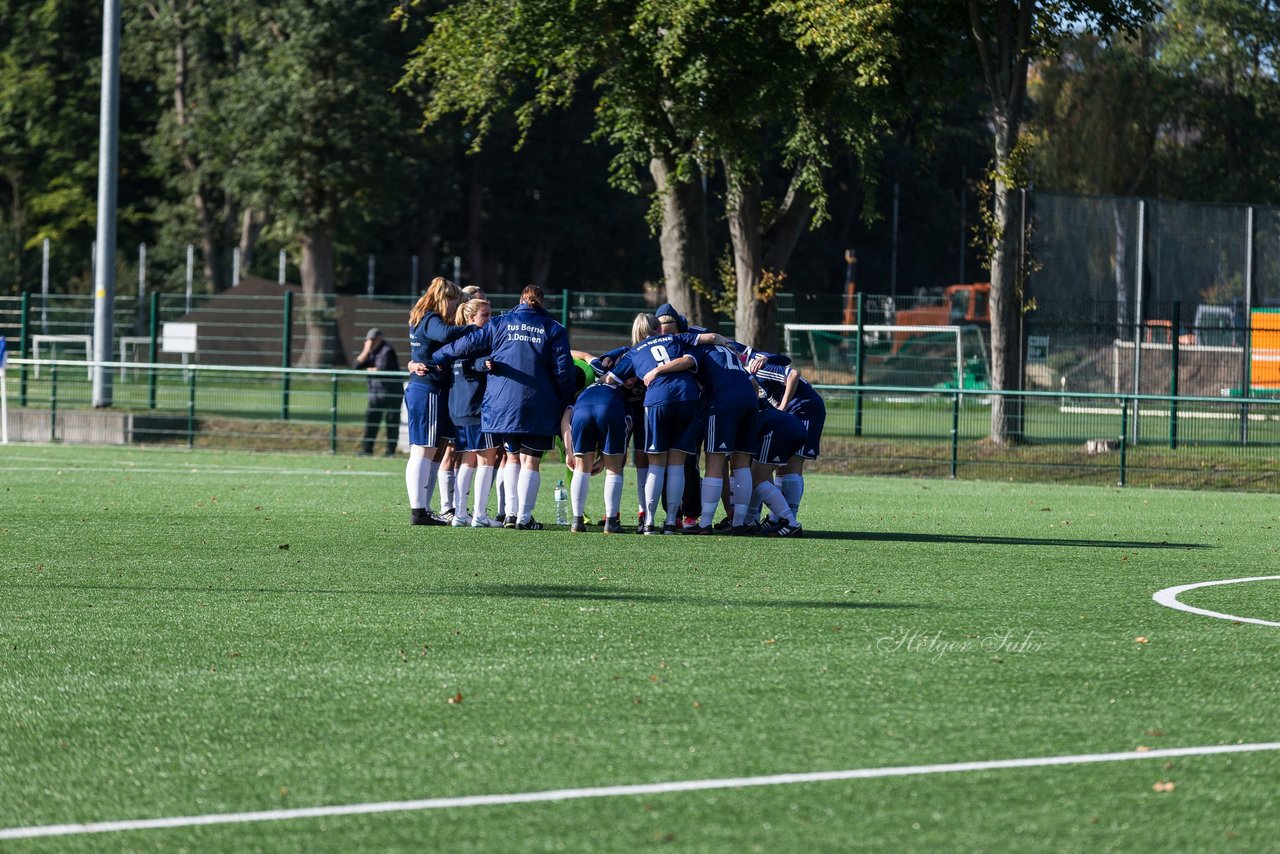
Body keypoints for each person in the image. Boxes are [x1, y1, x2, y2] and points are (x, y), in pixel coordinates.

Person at [430, 284, 577, 530]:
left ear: (521, 300)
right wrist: (567, 400)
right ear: (542, 302)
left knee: (511, 458)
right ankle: (524, 517)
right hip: (538, 405)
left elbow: (468, 344)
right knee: (531, 461)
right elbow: (563, 369)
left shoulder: (500, 323)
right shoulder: (553, 328)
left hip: (502, 405)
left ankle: (509, 514)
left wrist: (438, 357)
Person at [606, 313, 703, 535]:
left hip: (658, 400)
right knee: (677, 464)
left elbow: (611, 379)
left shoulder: (635, 351)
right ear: (659, 328)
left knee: (657, 464)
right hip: (687, 397)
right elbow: (692, 357)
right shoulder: (675, 339)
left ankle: (648, 522)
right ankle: (670, 522)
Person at [403, 277, 472, 526]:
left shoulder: (420, 316)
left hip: (426, 388)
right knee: (422, 451)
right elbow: (444, 334)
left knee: (428, 451)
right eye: (453, 301)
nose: (454, 307)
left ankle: (423, 508)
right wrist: (474, 328)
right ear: (444, 298)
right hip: (427, 389)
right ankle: (418, 511)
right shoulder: (431, 318)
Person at [746, 353, 826, 524]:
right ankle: (774, 519)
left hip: (805, 410)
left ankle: (787, 521)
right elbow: (783, 359)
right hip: (788, 418)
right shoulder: (749, 370)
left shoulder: (756, 368)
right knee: (777, 468)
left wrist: (782, 407)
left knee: (791, 466)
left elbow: (793, 374)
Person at [447, 297, 503, 527]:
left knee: (467, 459)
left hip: (458, 408)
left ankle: (460, 514)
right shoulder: (476, 341)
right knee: (487, 458)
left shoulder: (457, 340)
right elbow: (477, 363)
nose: (490, 319)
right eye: (485, 315)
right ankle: (479, 515)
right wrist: (487, 364)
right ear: (471, 318)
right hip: (477, 410)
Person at [564, 360, 630, 534]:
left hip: (582, 411)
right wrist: (606, 460)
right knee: (614, 469)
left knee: (581, 469)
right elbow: (627, 426)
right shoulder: (622, 392)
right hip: (610, 407)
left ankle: (577, 521)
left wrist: (569, 452)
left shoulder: (586, 389)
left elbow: (566, 418)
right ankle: (611, 522)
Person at [353, 328, 402, 457]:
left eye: (372, 340)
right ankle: (367, 450)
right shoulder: (371, 352)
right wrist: (365, 351)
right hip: (376, 395)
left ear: (379, 338)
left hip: (391, 394)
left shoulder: (387, 350)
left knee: (391, 423)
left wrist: (372, 369)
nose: (370, 342)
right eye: (368, 340)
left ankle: (390, 452)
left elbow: (382, 369)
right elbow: (356, 365)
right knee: (371, 422)